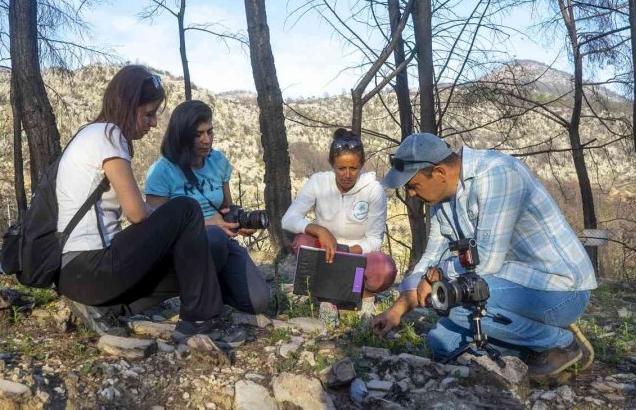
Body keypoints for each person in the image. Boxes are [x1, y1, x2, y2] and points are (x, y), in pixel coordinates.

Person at [370, 133, 597, 379]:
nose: (411, 194)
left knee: (453, 301)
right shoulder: (441, 201)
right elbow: (431, 258)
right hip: (508, 286)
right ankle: (532, 341)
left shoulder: (497, 175)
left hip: (559, 289)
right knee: (441, 342)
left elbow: (487, 260)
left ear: (438, 173)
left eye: (413, 186)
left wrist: (437, 277)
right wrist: (397, 311)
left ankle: (561, 342)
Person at [56, 65, 244, 348]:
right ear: (126, 106)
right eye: (148, 113)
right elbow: (136, 212)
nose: (154, 123)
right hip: (87, 268)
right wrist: (191, 224)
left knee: (187, 257)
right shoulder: (108, 136)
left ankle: (106, 308)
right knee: (186, 209)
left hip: (79, 275)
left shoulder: (91, 134)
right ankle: (199, 321)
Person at [144, 100, 270, 315]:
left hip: (220, 244)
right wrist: (204, 224)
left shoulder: (218, 161)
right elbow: (155, 228)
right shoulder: (161, 172)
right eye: (198, 134)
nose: (206, 140)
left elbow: (225, 207)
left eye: (210, 132)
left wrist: (238, 221)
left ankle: (214, 284)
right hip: (184, 247)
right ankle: (197, 304)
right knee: (213, 237)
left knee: (258, 301)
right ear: (182, 136)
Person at [282, 129, 397, 316]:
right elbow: (288, 219)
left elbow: (375, 239)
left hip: (358, 254)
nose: (347, 174)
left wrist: (348, 253)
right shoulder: (319, 182)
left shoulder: (373, 190)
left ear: (361, 165)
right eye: (341, 168)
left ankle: (365, 297)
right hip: (326, 254)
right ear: (332, 164)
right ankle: (325, 298)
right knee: (302, 241)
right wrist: (320, 230)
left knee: (384, 268)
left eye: (354, 168)